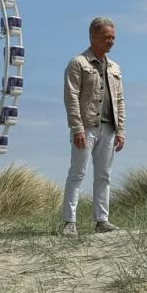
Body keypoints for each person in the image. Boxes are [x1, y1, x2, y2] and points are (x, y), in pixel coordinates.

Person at [61, 17, 125, 236]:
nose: (111, 42)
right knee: (78, 173)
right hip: (86, 127)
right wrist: (77, 128)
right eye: (107, 37)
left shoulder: (115, 67)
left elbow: (120, 100)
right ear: (93, 36)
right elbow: (71, 97)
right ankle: (69, 222)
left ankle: (102, 221)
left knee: (104, 175)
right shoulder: (78, 63)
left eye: (113, 37)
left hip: (109, 128)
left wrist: (121, 130)